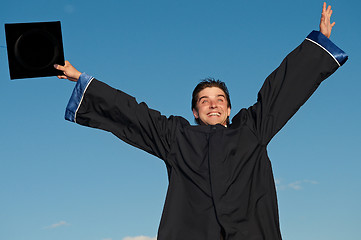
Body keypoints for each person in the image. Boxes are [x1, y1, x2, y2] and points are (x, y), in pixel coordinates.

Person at [55, 3, 348, 240]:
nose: (213, 104)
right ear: (194, 111)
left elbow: (282, 90)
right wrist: (79, 78)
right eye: (204, 100)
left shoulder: (250, 130)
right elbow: (132, 112)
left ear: (229, 109)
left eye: (220, 99)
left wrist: (318, 47)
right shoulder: (176, 137)